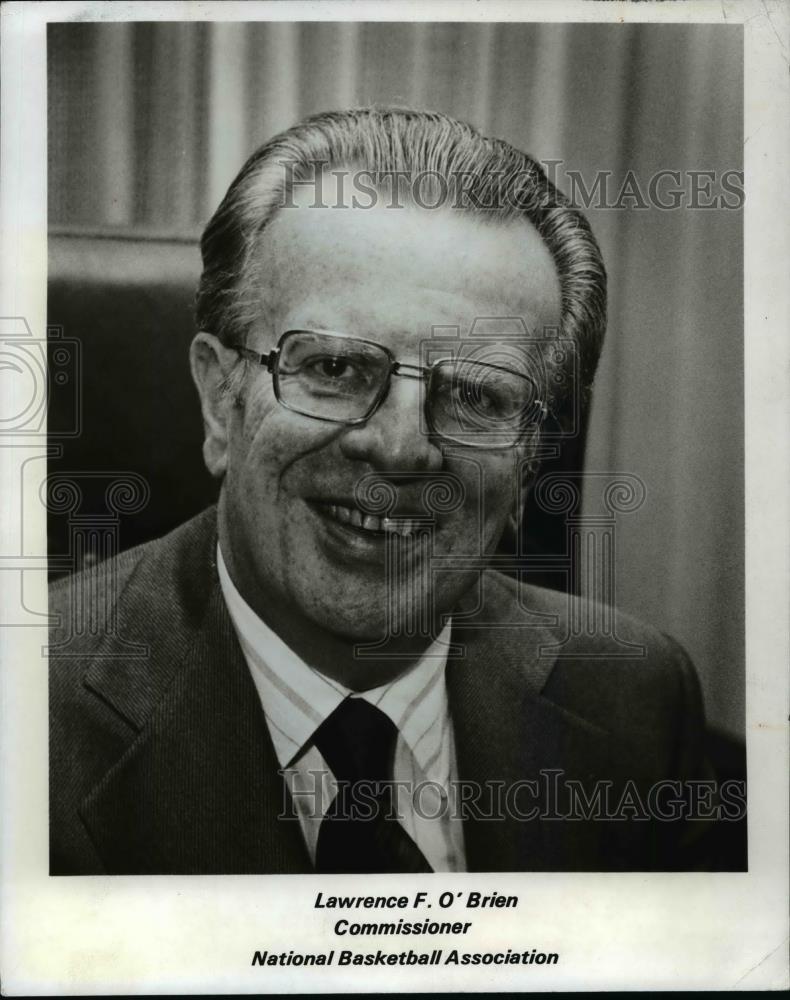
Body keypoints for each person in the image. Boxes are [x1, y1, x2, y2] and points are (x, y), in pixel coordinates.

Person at [49, 107, 722, 875]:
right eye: (334, 370)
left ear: (531, 455)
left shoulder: (637, 702)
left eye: (476, 394)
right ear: (220, 398)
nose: (400, 448)